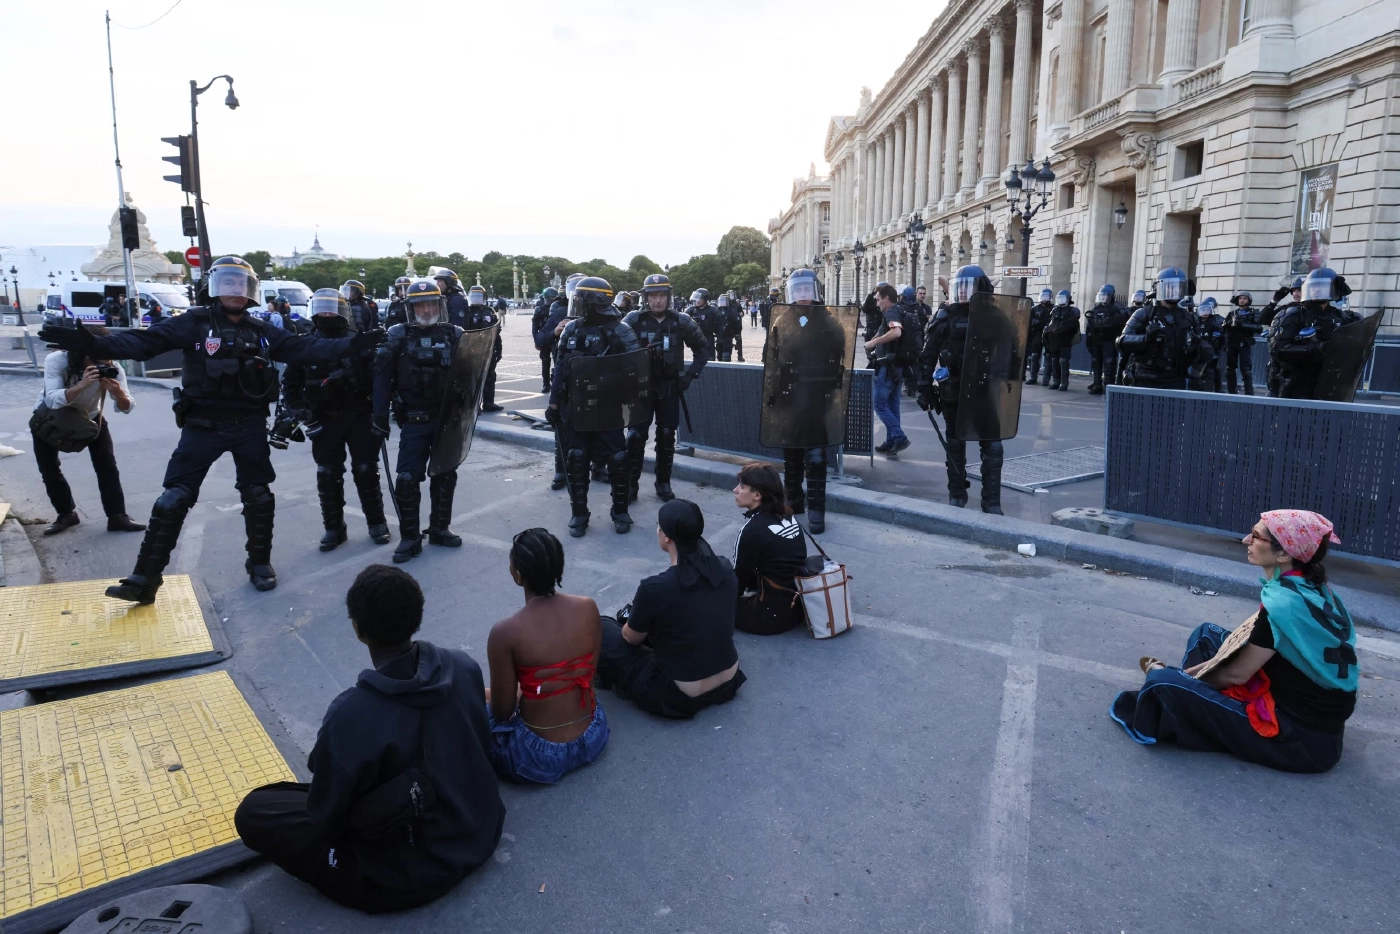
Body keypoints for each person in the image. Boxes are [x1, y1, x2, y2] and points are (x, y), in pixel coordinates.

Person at [37, 256, 383, 603]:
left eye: (241, 284)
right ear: (214, 288)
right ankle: (145, 578)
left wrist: (356, 344)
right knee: (173, 498)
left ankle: (259, 564)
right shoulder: (194, 323)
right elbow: (143, 343)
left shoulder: (262, 330)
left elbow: (310, 347)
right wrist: (94, 344)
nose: (235, 291)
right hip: (202, 424)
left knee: (259, 495)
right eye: (228, 283)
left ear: (251, 292)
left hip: (248, 423)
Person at [234, 564, 505, 911]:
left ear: (358, 630)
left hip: (406, 874)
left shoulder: (352, 713)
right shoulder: (463, 665)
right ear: (418, 617)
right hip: (481, 828)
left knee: (256, 810)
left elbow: (325, 814)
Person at [1110, 510, 1356, 774]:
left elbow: (1237, 674)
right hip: (1313, 721)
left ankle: (1185, 700)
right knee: (1206, 634)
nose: (1245, 540)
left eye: (1256, 536)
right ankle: (1191, 700)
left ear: (1284, 554)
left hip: (1300, 740)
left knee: (1161, 685)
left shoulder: (1283, 604)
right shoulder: (1312, 585)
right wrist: (1190, 678)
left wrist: (1183, 679)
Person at [597, 499, 746, 718]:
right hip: (728, 680)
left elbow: (631, 639)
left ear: (666, 536)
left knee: (601, 626)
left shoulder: (655, 587)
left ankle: (612, 679)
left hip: (678, 694)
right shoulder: (724, 568)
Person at [484, 528, 609, 784]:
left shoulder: (505, 632)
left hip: (535, 757)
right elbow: (588, 674)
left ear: (517, 575)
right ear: (558, 569)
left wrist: (520, 690)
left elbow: (501, 711)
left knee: (471, 707)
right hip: (594, 737)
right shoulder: (588, 607)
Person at [281, 289, 390, 551]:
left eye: (332, 309)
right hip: (324, 419)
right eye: (322, 309)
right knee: (328, 474)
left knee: (366, 471)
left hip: (359, 415)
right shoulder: (305, 344)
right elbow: (290, 386)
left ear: (342, 312)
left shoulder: (358, 342)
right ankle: (333, 527)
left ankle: (376, 522)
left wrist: (379, 416)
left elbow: (379, 381)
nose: (327, 314)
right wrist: (304, 417)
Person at [373, 278, 467, 563]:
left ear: (439, 305)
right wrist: (379, 416)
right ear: (411, 308)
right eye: (419, 305)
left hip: (446, 420)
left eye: (430, 304)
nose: (426, 310)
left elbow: (471, 373)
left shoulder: (455, 334)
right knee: (406, 479)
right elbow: (381, 377)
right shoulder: (397, 335)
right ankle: (410, 537)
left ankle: (439, 528)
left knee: (445, 475)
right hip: (414, 420)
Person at [547, 276, 640, 537]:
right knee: (577, 459)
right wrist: (554, 402)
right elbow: (560, 370)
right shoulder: (571, 329)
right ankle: (579, 513)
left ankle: (620, 510)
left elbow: (636, 372)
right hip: (577, 409)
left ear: (594, 302)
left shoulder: (621, 330)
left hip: (609, 409)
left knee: (618, 460)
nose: (575, 304)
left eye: (579, 300)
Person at [31, 327, 145, 536]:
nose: (104, 366)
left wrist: (118, 392)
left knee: (107, 465)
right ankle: (67, 514)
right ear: (83, 353)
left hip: (90, 417)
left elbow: (126, 407)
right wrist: (82, 384)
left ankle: (117, 516)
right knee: (49, 467)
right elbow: (52, 400)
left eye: (108, 360)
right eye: (99, 361)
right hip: (51, 418)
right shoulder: (58, 361)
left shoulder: (114, 368)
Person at [916, 264, 1005, 514]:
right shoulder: (945, 317)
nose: (964, 293)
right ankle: (957, 494)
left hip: (985, 390)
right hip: (953, 390)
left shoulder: (995, 317)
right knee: (955, 444)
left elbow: (1013, 352)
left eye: (969, 287)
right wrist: (923, 387)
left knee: (993, 447)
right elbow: (927, 354)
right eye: (960, 287)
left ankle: (992, 501)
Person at [623, 273, 708, 505]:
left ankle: (663, 483)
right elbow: (615, 349)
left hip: (670, 388)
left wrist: (690, 376)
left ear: (668, 297)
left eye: (661, 295)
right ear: (646, 298)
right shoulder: (633, 320)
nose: (657, 301)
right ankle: (631, 484)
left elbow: (702, 350)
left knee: (666, 435)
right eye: (653, 296)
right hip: (640, 390)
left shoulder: (681, 321)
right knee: (635, 437)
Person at [768, 268, 841, 534]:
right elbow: (771, 358)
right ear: (791, 292)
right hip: (790, 396)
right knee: (791, 453)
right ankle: (793, 503)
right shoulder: (782, 320)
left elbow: (839, 352)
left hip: (817, 396)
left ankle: (817, 510)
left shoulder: (828, 320)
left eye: (806, 290)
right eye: (798, 290)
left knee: (817, 456)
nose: (803, 295)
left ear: (815, 291)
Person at [732, 462, 807, 635]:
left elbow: (738, 579)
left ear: (757, 495)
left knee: (710, 600)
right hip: (799, 608)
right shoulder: (788, 516)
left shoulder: (753, 529)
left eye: (742, 487)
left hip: (771, 617)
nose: (735, 490)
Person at [1268, 267, 1361, 399]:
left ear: (1332, 288)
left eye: (1321, 286)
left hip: (1330, 383)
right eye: (1313, 286)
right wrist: (1316, 348)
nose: (1317, 289)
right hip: (1297, 383)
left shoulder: (1341, 317)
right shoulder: (1292, 314)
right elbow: (1278, 349)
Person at [1117, 267, 1197, 390]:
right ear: (1160, 288)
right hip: (1147, 378)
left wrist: (1202, 347)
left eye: (1178, 287)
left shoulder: (1187, 316)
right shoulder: (1144, 313)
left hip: (1176, 379)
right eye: (1170, 287)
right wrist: (1145, 339)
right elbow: (1121, 342)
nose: (1175, 291)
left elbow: (1193, 341)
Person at [865, 283, 910, 456]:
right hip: (897, 365)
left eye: (878, 300)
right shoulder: (896, 311)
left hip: (889, 366)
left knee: (880, 404)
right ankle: (892, 441)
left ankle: (899, 437)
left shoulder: (891, 311)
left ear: (886, 299)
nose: (877, 303)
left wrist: (874, 342)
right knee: (893, 405)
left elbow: (896, 332)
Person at [462, 284, 504, 413]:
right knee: (473, 379)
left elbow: (496, 331)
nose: (476, 299)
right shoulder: (466, 312)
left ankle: (488, 403)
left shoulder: (489, 311)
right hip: (473, 349)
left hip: (488, 349)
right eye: (474, 296)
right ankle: (474, 405)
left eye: (479, 296)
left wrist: (499, 349)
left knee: (490, 376)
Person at [1083, 285, 1129, 395]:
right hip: (1096, 339)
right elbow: (1089, 322)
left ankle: (1108, 385)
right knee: (1096, 361)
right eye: (1102, 296)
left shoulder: (1118, 308)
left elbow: (1122, 319)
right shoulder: (1096, 308)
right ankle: (1097, 383)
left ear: (1111, 296)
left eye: (1106, 296)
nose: (1104, 299)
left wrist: (1104, 322)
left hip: (1109, 339)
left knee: (1109, 363)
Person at [1223, 292, 1262, 395]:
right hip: (1232, 343)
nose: (1242, 300)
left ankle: (1249, 393)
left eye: (1245, 298)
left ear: (1249, 300)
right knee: (1230, 369)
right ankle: (1232, 391)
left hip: (1244, 343)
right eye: (1240, 298)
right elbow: (1223, 327)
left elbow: (1259, 328)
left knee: (1246, 370)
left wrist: (1242, 325)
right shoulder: (1232, 313)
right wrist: (1227, 324)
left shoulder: (1253, 313)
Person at [1042, 290, 1080, 392]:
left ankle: (1064, 382)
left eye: (1063, 298)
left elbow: (1073, 324)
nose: (1061, 300)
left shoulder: (1073, 311)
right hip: (1054, 340)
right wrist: (1048, 331)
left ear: (1068, 299)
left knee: (1063, 361)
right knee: (1054, 361)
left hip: (1065, 339)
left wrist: (1059, 329)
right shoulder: (1055, 310)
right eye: (1059, 298)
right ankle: (1056, 381)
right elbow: (1050, 323)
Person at [1188, 297, 1227, 392]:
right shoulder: (1196, 320)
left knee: (1212, 371)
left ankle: (1216, 389)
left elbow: (1222, 335)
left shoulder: (1217, 321)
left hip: (1212, 352)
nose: (1205, 312)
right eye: (1203, 309)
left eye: (1207, 310)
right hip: (1197, 352)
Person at [532, 286, 559, 392]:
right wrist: (536, 341)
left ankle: (556, 382)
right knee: (545, 362)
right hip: (544, 338)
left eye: (554, 297)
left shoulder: (558, 308)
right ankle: (546, 384)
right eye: (551, 297)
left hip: (555, 337)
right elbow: (535, 327)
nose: (552, 299)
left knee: (557, 361)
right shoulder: (540, 309)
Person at [1024, 288, 1053, 385]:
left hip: (1048, 336)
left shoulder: (1053, 309)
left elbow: (1051, 323)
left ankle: (1046, 379)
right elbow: (1029, 322)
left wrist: (1039, 323)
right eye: (1043, 296)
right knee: (1034, 356)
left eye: (1046, 296)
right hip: (1036, 335)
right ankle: (1033, 377)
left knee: (1048, 357)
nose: (1044, 298)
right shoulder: (1035, 309)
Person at [688, 289, 721, 361]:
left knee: (710, 362)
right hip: (696, 340)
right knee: (697, 361)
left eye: (699, 298)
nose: (697, 300)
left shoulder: (712, 310)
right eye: (696, 297)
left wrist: (720, 339)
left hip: (708, 339)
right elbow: (682, 319)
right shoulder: (692, 310)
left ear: (705, 299)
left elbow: (720, 326)